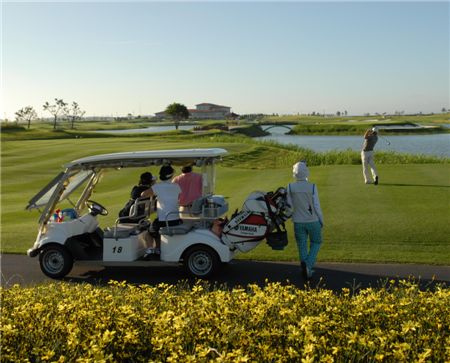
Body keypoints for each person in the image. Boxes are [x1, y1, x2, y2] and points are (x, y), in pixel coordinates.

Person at [287, 161, 324, 280]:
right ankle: (308, 265)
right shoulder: (312, 186)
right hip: (313, 221)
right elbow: (317, 206)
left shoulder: (290, 187)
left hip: (298, 222)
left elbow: (289, 206)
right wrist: (321, 220)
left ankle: (305, 268)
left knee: (302, 245)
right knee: (316, 242)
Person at [141, 165, 183, 235]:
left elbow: (143, 194)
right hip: (176, 219)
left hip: (163, 221)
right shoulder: (177, 186)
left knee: (150, 230)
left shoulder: (157, 186)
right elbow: (177, 198)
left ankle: (157, 245)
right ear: (171, 175)